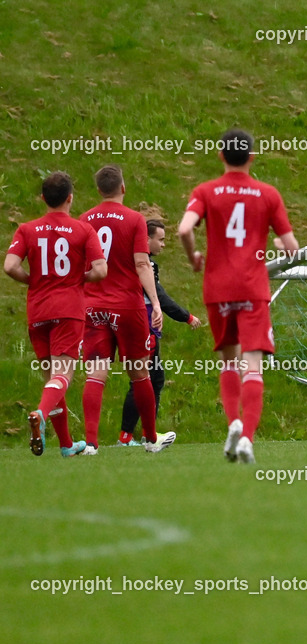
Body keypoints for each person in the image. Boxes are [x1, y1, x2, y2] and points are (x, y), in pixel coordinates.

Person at [178, 128, 300, 464]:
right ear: (251, 157)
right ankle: (247, 437)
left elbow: (185, 228)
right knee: (253, 367)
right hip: (252, 289)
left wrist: (194, 258)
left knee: (228, 361)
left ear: (221, 156)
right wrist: (276, 244)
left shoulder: (206, 190)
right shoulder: (267, 194)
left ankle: (232, 421)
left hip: (217, 289)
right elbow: (292, 250)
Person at [4, 172, 106, 457]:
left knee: (52, 376)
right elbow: (100, 270)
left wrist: (34, 279)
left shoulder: (26, 229)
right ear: (70, 198)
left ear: (42, 199)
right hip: (68, 310)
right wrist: (75, 278)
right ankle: (40, 414)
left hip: (37, 310)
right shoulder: (83, 230)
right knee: (63, 375)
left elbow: (10, 266)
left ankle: (65, 445)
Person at [79, 165, 176, 455]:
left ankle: (91, 443)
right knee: (140, 374)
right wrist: (156, 304)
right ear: (123, 187)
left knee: (96, 375)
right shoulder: (134, 219)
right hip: (127, 306)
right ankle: (150, 438)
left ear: (98, 190)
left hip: (94, 305)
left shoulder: (84, 220)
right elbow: (142, 263)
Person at [117, 219, 204, 446]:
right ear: (146, 239)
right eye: (161, 239)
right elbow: (160, 296)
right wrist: (187, 316)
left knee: (144, 378)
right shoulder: (144, 264)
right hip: (144, 322)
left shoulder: (131, 260)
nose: (163, 245)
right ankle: (147, 436)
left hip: (132, 320)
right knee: (149, 379)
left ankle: (130, 436)